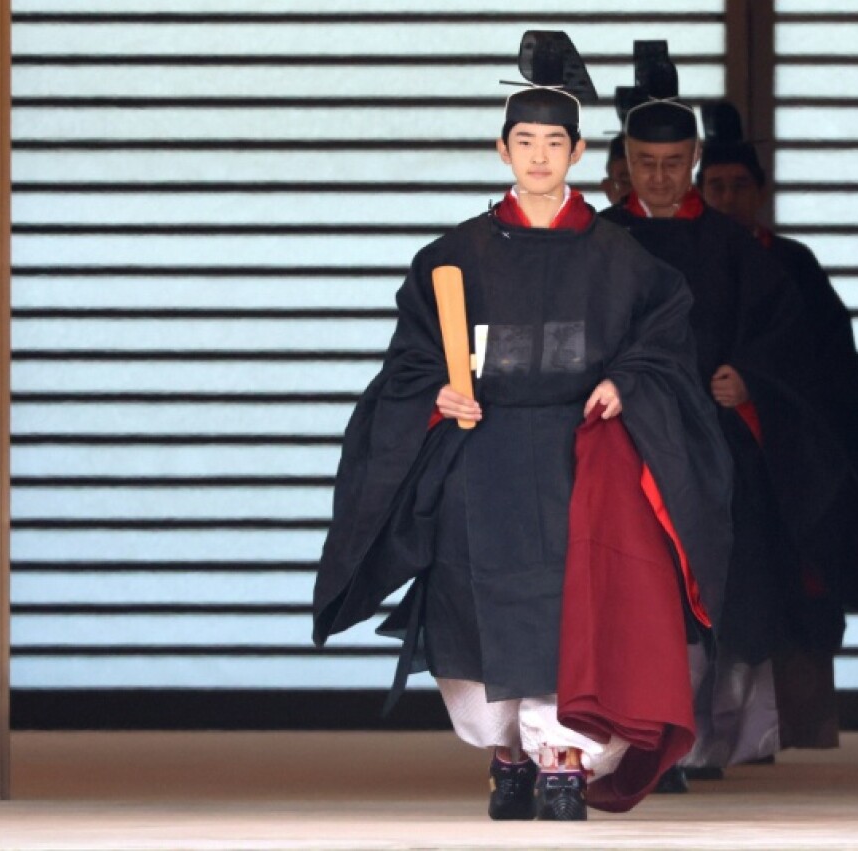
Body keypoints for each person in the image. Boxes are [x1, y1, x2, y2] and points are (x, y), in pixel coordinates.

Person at [312, 32, 733, 822]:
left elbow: (664, 347)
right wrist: (439, 393)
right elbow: (407, 364)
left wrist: (626, 382)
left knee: (572, 607)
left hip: (579, 459)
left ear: (576, 151)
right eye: (524, 141)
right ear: (501, 148)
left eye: (554, 142)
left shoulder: (628, 261)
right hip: (482, 456)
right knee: (476, 606)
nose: (539, 156)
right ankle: (508, 752)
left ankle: (563, 755)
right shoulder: (452, 256)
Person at [603, 43, 858, 786]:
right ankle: (632, 740)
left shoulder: (736, 247)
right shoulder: (599, 242)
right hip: (627, 441)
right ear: (626, 162)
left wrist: (750, 382)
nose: (657, 176)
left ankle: (700, 743)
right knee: (633, 594)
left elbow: (788, 342)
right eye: (644, 163)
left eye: (672, 163)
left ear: (691, 160)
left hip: (717, 450)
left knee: (718, 596)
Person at [696, 100, 858, 753]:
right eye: (716, 185)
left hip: (790, 457)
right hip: (715, 459)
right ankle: (712, 741)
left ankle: (802, 736)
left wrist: (758, 389)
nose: (730, 196)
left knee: (801, 599)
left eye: (740, 185)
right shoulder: (692, 260)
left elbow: (828, 368)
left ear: (761, 192)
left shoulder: (794, 264)